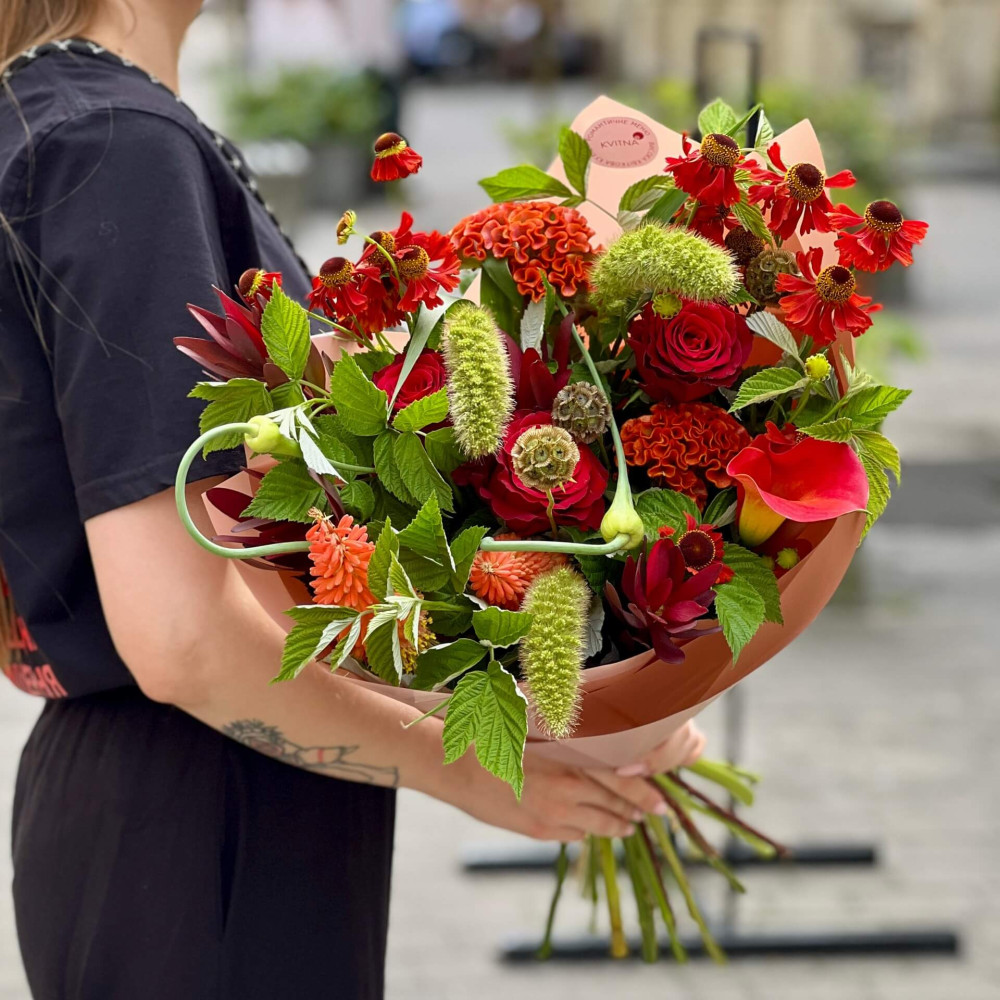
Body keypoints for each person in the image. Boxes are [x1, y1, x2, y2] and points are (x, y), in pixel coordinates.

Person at [0, 2, 706, 997]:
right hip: (205, 810)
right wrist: (480, 770)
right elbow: (180, 634)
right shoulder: (113, 145)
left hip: (173, 800)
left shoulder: (57, 119)